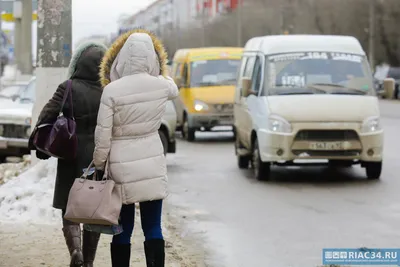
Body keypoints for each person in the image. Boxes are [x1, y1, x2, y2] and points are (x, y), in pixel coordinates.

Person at [93, 29, 178, 267]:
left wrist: (99, 164)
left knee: (122, 229)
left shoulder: (111, 91)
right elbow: (173, 87)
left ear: (122, 58)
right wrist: (159, 71)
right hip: (152, 163)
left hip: (121, 169)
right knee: (153, 227)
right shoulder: (161, 86)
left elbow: (102, 136)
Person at [28, 42, 107, 267]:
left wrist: (39, 142)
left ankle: (76, 251)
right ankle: (89, 261)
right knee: (94, 208)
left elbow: (47, 115)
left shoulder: (68, 86)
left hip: (70, 154)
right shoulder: (108, 89)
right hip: (98, 156)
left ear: (77, 63)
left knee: (69, 205)